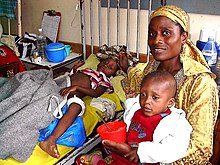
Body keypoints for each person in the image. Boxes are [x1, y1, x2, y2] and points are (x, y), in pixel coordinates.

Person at [106, 5, 219, 164]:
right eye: (152, 34)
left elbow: (200, 150)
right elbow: (135, 79)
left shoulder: (200, 83)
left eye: (166, 33)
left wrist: (144, 157)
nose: (156, 40)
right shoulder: (151, 68)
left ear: (183, 37)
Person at [98, 70, 192, 165]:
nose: (147, 101)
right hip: (123, 157)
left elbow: (173, 150)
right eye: (143, 95)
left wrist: (140, 153)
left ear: (170, 102)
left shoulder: (174, 123)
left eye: (155, 97)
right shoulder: (137, 111)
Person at [39, 57, 119, 158]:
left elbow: (95, 93)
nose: (105, 65)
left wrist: (76, 88)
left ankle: (51, 140)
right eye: (105, 62)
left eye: (110, 67)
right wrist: (75, 68)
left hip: (71, 96)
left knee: (77, 106)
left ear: (113, 74)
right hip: (60, 86)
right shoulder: (88, 70)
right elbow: (71, 76)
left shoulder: (104, 80)